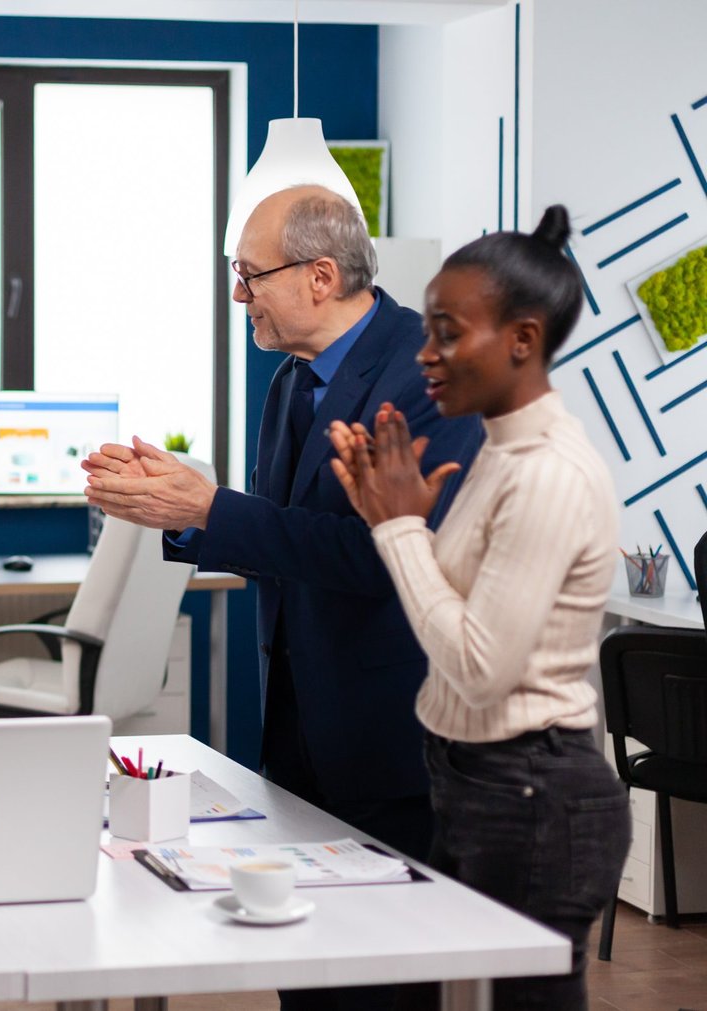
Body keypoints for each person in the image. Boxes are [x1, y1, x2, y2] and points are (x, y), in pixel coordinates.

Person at [84, 185, 483, 1011]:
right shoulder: (290, 382)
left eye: (249, 274)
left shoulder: (427, 377)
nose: (239, 296)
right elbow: (287, 539)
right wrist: (191, 515)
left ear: (320, 276)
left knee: (379, 983)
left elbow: (382, 555)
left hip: (388, 739)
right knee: (305, 976)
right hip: (300, 735)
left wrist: (208, 508)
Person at [328, 206, 631, 1009]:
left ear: (523, 340)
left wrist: (398, 530)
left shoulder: (547, 475)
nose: (425, 355)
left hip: (530, 793)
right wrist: (393, 520)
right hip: (480, 781)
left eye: (447, 333)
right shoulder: (500, 452)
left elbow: (479, 666)